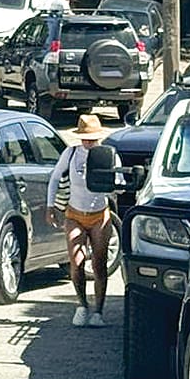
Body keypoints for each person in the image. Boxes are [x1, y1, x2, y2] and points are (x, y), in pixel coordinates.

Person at [46, 113, 120, 328]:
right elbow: (55, 177)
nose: (89, 142)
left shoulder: (108, 155)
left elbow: (119, 182)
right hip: (74, 214)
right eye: (85, 138)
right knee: (76, 261)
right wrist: (50, 206)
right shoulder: (70, 153)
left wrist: (112, 180)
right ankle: (82, 305)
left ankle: (98, 311)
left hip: (99, 214)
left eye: (92, 139)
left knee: (99, 263)